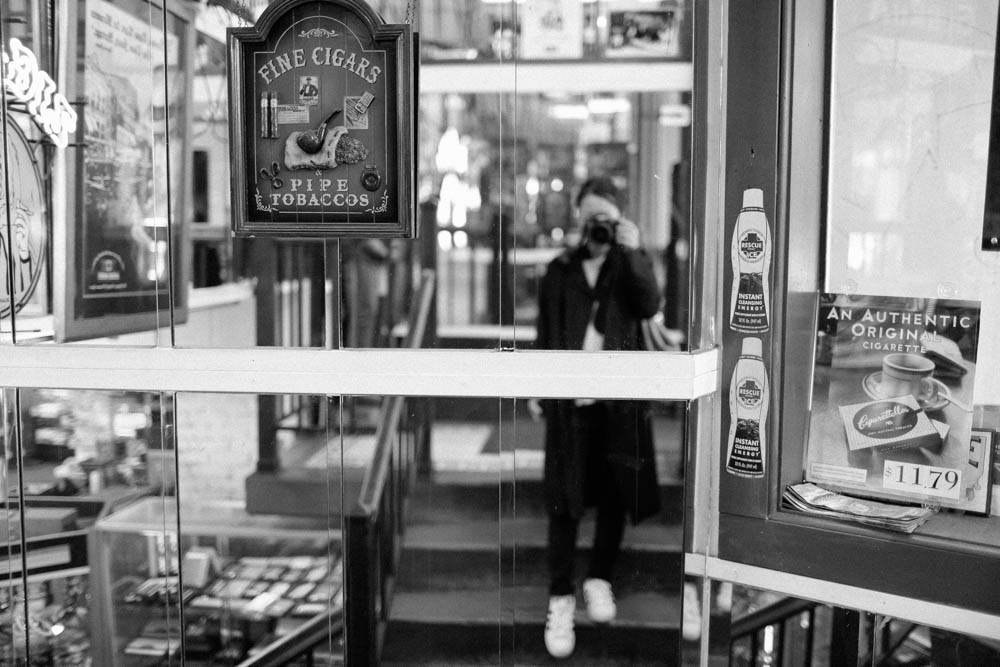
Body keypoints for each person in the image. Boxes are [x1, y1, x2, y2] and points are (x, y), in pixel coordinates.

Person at [529, 175, 662, 659]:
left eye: (606, 220)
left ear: (620, 222)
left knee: (612, 497)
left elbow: (649, 304)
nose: (596, 229)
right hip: (570, 406)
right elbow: (545, 334)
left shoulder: (627, 266)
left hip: (618, 404)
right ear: (578, 221)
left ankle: (600, 578)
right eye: (590, 220)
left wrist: (635, 251)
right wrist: (540, 392)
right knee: (564, 501)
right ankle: (560, 596)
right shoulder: (560, 271)